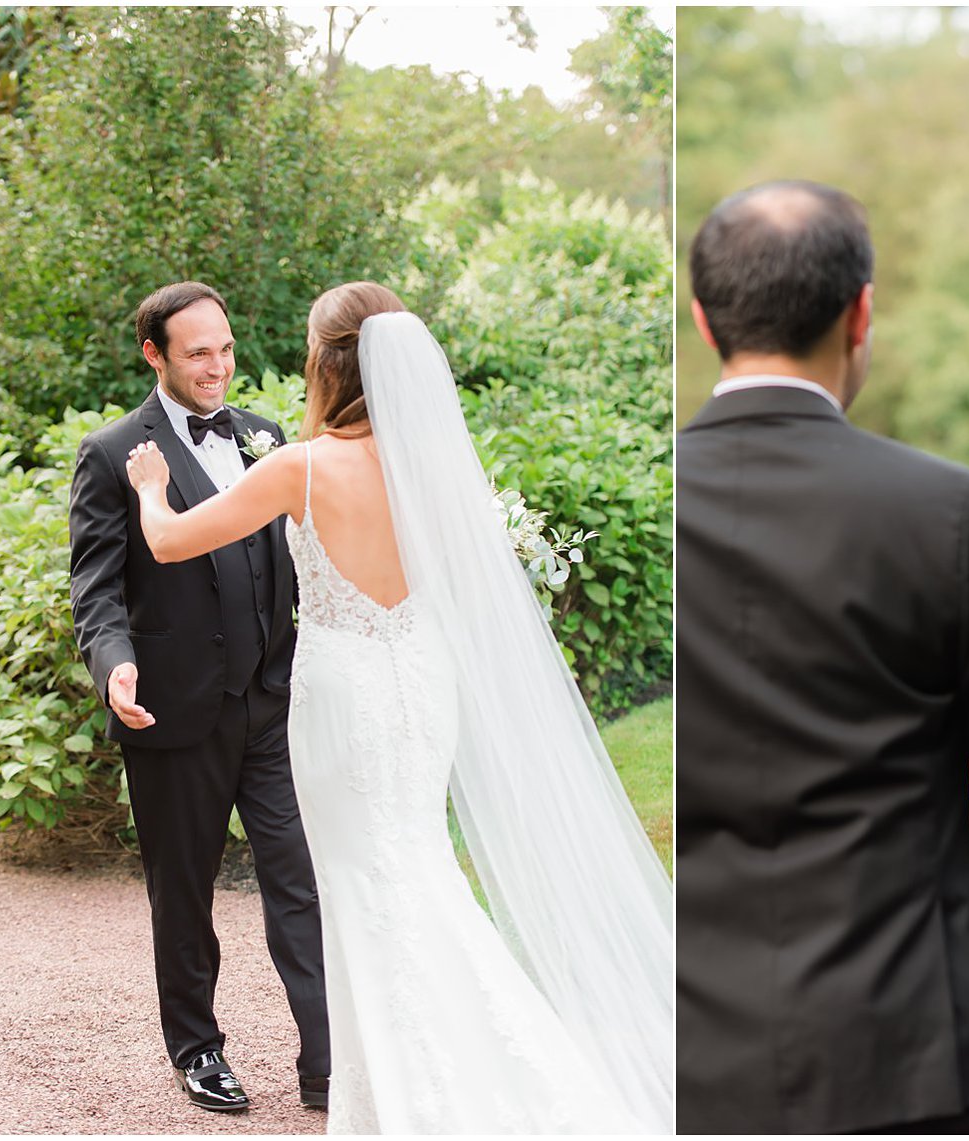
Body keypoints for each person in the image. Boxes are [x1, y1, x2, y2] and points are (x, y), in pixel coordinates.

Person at [122, 281, 674, 1133]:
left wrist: (154, 483)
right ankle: (422, 1078)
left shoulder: (300, 466)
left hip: (343, 698)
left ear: (329, 363)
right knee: (417, 871)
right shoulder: (434, 470)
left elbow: (166, 540)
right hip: (422, 685)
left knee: (363, 885)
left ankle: (408, 1099)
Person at [675, 180, 969, 1135]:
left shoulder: (658, 494)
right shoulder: (940, 506)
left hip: (692, 1030)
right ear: (861, 312)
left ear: (705, 319)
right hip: (899, 1031)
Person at [68, 282, 329, 1113]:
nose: (218, 367)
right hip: (175, 711)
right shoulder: (114, 454)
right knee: (183, 890)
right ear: (154, 355)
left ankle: (325, 1060)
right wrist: (113, 663)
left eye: (224, 348)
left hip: (271, 700)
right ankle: (198, 1048)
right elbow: (98, 588)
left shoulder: (265, 435)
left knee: (300, 878)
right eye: (197, 354)